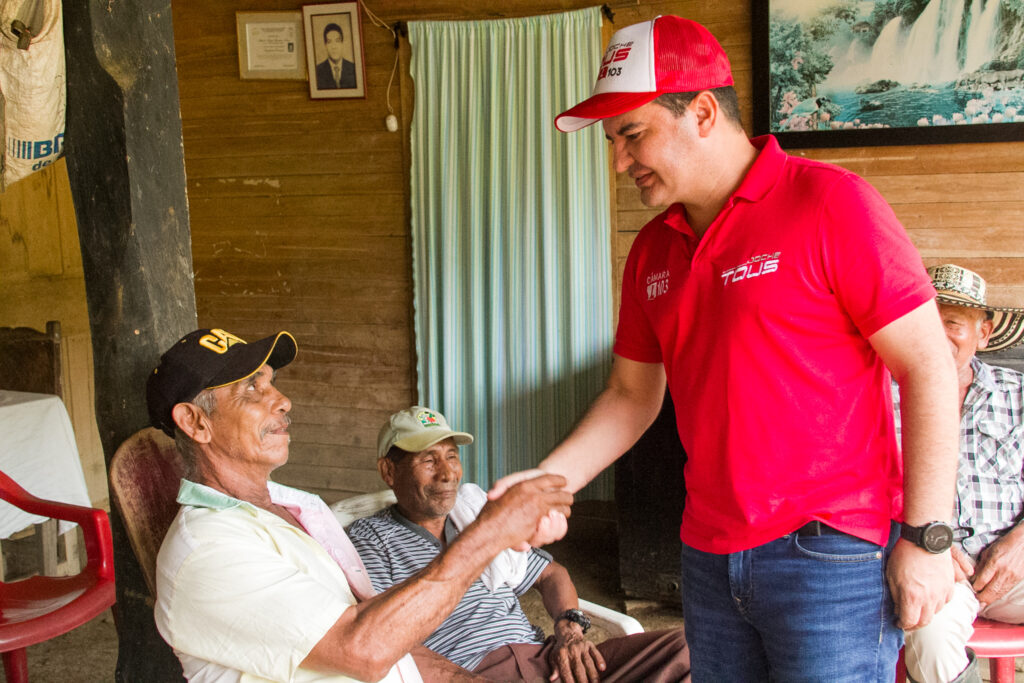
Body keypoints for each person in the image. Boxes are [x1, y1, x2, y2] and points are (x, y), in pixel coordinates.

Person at [492, 15, 961, 681]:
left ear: (704, 111)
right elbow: (631, 395)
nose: (619, 161)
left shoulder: (829, 203)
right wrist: (547, 483)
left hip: (827, 554)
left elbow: (928, 368)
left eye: (632, 134)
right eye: (612, 141)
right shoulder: (653, 250)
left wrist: (926, 537)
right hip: (707, 554)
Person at [147, 328, 572, 682]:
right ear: (195, 422)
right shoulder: (207, 551)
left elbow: (389, 640)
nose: (282, 400)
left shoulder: (289, 512)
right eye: (252, 388)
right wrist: (491, 532)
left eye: (272, 382)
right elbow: (363, 647)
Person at [347, 406, 692, 683]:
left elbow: (551, 572)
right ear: (389, 471)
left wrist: (569, 630)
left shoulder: (476, 515)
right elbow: (382, 639)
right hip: (469, 672)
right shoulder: (370, 540)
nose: (448, 473)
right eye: (428, 460)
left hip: (547, 657)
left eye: (451, 456)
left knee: (691, 650)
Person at [897, 264, 1024, 683]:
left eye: (952, 323)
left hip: (1015, 564)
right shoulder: (878, 393)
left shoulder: (1017, 393)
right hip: (928, 567)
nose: (936, 333)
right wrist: (918, 540)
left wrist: (1021, 543)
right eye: (925, 320)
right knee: (929, 633)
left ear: (983, 334)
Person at [315, 22, 356, 90]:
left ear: (342, 43)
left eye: (337, 41)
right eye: (329, 42)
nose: (334, 46)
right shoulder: (317, 71)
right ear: (325, 46)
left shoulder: (354, 68)